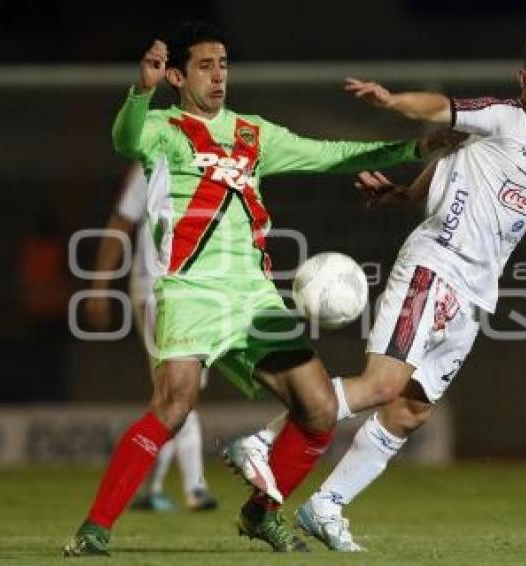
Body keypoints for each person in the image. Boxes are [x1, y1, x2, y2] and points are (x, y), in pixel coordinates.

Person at [64, 20, 423, 556]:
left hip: (254, 296)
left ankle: (262, 512)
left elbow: (329, 154)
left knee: (320, 407)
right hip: (188, 289)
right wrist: (139, 90)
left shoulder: (253, 133)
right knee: (174, 404)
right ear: (177, 77)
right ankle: (95, 528)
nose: (218, 76)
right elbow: (125, 139)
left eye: (224, 65)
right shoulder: (162, 128)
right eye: (205, 67)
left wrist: (411, 150)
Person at [227, 29, 526, 551]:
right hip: (436, 267)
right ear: (524, 78)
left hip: (476, 294)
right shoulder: (505, 116)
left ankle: (325, 506)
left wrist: (405, 194)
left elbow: (454, 159)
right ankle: (260, 440)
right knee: (380, 385)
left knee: (412, 409)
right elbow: (443, 111)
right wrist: (395, 101)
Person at [84, 163, 218, 512]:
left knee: (175, 390)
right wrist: (98, 286)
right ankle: (194, 487)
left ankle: (154, 486)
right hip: (157, 287)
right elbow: (121, 221)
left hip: (197, 290)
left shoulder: (217, 161)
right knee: (180, 388)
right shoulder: (153, 163)